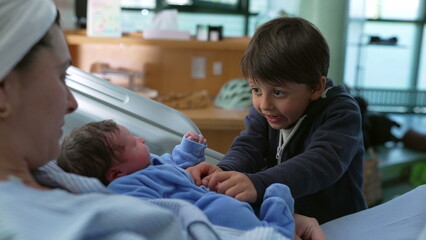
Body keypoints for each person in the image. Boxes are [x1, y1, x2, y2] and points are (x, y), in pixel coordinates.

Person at [0, 1, 325, 239]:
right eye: (60, 77)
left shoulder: (49, 177)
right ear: (4, 93)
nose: (71, 103)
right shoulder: (42, 222)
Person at [188, 16, 367, 224]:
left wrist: (259, 183)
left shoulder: (341, 111)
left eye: (278, 92)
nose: (264, 104)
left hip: (338, 223)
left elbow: (322, 162)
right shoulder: (267, 110)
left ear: (316, 87)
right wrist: (225, 172)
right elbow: (249, 146)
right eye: (256, 89)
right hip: (289, 218)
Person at [57, 120, 295, 238]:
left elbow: (174, 163)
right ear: (116, 173)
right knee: (275, 195)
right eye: (132, 142)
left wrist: (189, 149)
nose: (141, 140)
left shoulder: (148, 163)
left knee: (275, 191)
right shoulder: (125, 187)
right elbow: (147, 214)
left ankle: (272, 226)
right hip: (210, 214)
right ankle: (276, 230)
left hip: (217, 201)